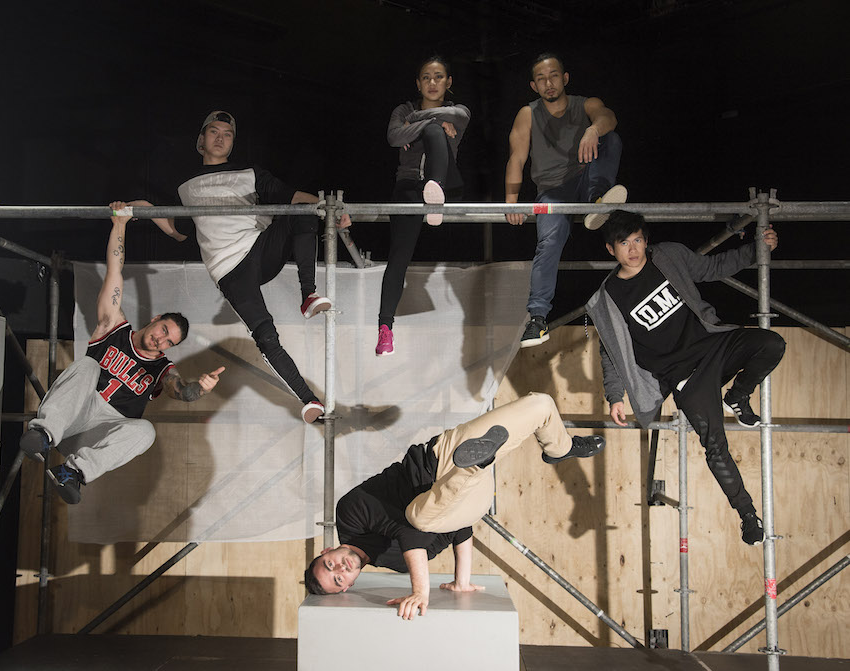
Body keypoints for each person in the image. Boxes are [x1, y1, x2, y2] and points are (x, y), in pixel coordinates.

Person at [303, 392, 606, 618]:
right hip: (470, 500)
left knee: (540, 404)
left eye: (331, 564)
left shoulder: (349, 514)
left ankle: (560, 449)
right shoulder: (397, 563)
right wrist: (462, 581)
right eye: (339, 578)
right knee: (421, 519)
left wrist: (420, 591)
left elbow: (409, 532)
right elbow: (457, 529)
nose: (341, 568)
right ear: (348, 586)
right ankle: (474, 466)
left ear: (327, 551)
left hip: (443, 455)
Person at [586, 210, 785, 545]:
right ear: (611, 249)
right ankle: (748, 516)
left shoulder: (667, 256)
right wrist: (615, 394)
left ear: (646, 241)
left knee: (770, 343)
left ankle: (738, 395)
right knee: (714, 445)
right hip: (683, 376)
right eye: (624, 243)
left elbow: (713, 268)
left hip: (712, 345)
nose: (633, 249)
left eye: (638, 240)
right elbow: (611, 352)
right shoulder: (607, 299)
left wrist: (755, 249)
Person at [150, 111, 350, 423]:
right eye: (213, 132)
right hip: (229, 271)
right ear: (200, 141)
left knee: (303, 211)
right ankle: (308, 400)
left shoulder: (249, 173)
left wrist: (329, 211)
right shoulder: (185, 185)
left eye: (227, 134)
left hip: (260, 248)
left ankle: (308, 295)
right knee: (265, 335)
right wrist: (133, 208)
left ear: (232, 143)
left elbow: (291, 195)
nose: (220, 138)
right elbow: (162, 214)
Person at [19, 202, 224, 504]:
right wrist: (120, 225)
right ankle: (44, 435)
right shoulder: (113, 327)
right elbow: (115, 270)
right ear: (155, 320)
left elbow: (181, 391)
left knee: (146, 432)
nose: (161, 341)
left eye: (169, 343)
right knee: (89, 367)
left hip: (100, 433)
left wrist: (199, 390)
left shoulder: (162, 370)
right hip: (73, 414)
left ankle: (73, 474)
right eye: (164, 331)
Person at [505, 52, 626, 349]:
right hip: (552, 190)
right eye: (542, 79)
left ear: (565, 78)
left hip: (585, 178)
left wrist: (593, 129)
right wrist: (510, 202)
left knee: (611, 138)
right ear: (534, 86)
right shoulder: (528, 113)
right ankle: (537, 319)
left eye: (554, 76)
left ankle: (597, 201)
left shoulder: (584, 104)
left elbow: (608, 115)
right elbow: (516, 158)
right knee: (549, 241)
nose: (549, 83)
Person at [376, 56, 471, 357]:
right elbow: (393, 137)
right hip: (408, 187)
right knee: (398, 257)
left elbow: (451, 115)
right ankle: (385, 328)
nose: (432, 83)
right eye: (426, 77)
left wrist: (417, 124)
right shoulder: (402, 109)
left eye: (439, 77)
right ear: (418, 83)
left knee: (433, 132)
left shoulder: (459, 112)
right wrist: (425, 122)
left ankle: (436, 192)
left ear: (448, 82)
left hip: (447, 184)